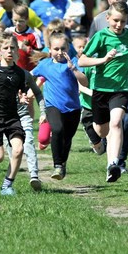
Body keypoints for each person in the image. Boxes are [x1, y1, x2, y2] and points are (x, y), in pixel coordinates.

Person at [78, 2, 128, 183]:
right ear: (107, 18)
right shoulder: (101, 37)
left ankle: (113, 165)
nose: (119, 25)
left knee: (117, 123)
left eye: (123, 22)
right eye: (116, 20)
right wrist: (103, 59)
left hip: (122, 88)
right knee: (102, 131)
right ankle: (97, 140)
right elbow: (82, 61)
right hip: (100, 90)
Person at [0, 32, 45, 195]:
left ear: (18, 51)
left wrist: (25, 98)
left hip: (12, 118)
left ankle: (7, 185)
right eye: (6, 48)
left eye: (13, 48)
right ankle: (6, 179)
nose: (10, 51)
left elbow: (29, 92)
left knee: (18, 149)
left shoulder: (22, 74)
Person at [32, 33, 84, 180]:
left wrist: (73, 69)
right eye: (56, 49)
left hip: (73, 108)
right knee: (57, 129)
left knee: (67, 139)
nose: (60, 52)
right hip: (52, 106)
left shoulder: (74, 62)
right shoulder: (45, 65)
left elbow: (85, 82)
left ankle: (62, 163)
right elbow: (30, 77)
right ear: (50, 49)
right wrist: (23, 91)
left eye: (63, 48)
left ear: (68, 48)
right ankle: (57, 166)